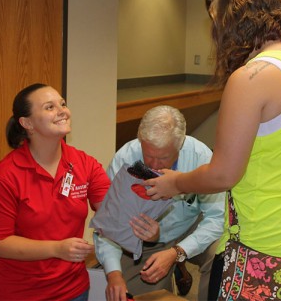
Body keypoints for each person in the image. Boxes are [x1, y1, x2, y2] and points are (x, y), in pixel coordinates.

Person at [143, 0, 281, 300]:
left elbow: (224, 173)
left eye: (216, 25)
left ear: (233, 25)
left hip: (266, 242)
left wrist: (176, 182)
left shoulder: (253, 77)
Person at [0, 83, 111, 300]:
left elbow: (111, 211)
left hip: (74, 289)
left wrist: (143, 218)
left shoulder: (84, 164)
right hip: (20, 292)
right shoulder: (5, 176)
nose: (62, 111)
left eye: (62, 104)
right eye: (49, 107)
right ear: (27, 123)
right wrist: (57, 249)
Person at [94, 105, 224, 301]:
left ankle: (179, 263)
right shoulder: (125, 157)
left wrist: (177, 252)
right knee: (127, 295)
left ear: (180, 146)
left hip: (189, 227)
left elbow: (217, 217)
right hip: (143, 239)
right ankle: (176, 269)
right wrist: (113, 273)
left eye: (163, 158)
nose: (154, 166)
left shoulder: (200, 156)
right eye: (148, 156)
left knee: (221, 256)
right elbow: (108, 226)